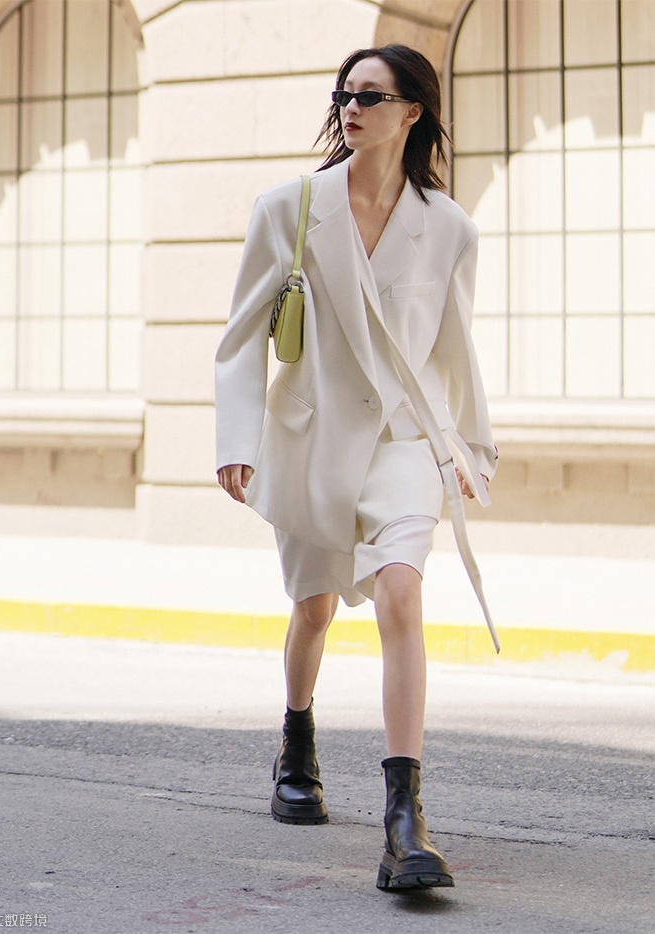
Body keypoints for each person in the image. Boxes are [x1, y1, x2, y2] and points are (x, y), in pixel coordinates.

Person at [214, 44, 497, 891]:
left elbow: (456, 350)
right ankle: (297, 740)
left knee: (402, 593)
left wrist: (469, 447)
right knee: (314, 607)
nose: (352, 107)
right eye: (345, 94)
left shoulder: (449, 228)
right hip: (312, 439)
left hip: (405, 443)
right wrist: (237, 440)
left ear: (413, 112)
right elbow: (241, 337)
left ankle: (405, 820)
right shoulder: (290, 209)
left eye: (371, 96)